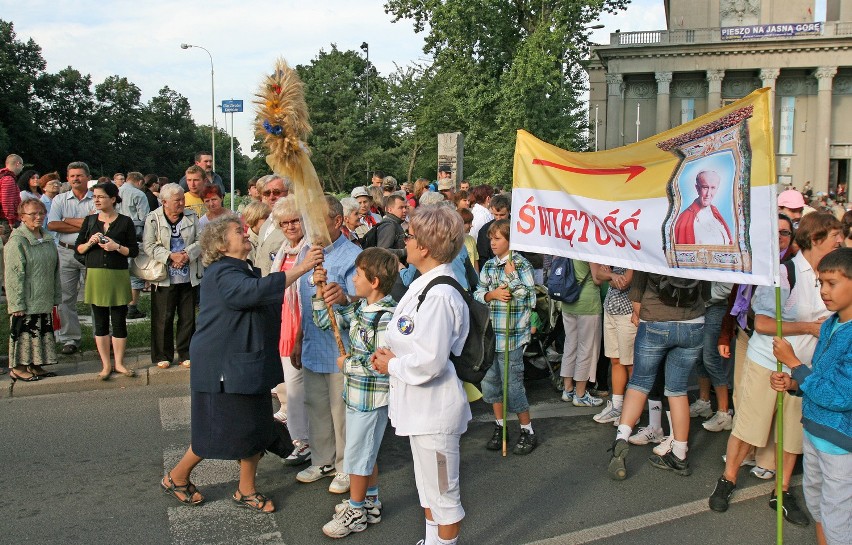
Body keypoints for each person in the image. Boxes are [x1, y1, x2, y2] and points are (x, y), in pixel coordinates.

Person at [160, 216, 323, 514]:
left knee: (256, 426)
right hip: (223, 367)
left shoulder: (242, 267)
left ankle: (246, 490)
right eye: (239, 231)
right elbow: (254, 293)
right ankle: (177, 477)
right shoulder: (222, 272)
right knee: (215, 430)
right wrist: (301, 268)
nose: (246, 233)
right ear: (222, 244)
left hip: (246, 364)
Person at [709, 212, 842, 524]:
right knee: (748, 427)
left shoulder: (834, 275)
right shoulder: (785, 272)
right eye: (836, 239)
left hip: (806, 367)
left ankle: (780, 492)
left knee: (793, 433)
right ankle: (727, 480)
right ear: (817, 240)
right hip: (768, 361)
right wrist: (809, 327)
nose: (841, 243)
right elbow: (764, 322)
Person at [371, 205, 470, 545]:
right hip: (419, 411)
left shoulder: (440, 294)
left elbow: (431, 362)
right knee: (428, 491)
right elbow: (413, 339)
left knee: (444, 497)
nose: (405, 241)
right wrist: (393, 354)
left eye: (409, 236)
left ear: (425, 247)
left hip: (435, 415)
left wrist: (391, 365)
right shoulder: (423, 284)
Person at [313, 248, 398, 538]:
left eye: (359, 275)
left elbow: (382, 363)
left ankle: (356, 509)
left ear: (374, 282)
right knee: (365, 453)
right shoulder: (363, 308)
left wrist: (347, 363)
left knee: (357, 458)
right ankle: (371, 501)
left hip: (372, 400)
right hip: (356, 396)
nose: (354, 280)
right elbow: (326, 321)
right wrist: (319, 291)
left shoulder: (386, 317)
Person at [770, 247, 851, 545]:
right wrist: (794, 383)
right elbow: (820, 377)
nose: (824, 291)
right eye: (820, 283)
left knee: (838, 516)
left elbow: (841, 396)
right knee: (818, 506)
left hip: (841, 443)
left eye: (832, 283)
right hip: (815, 431)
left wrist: (794, 363)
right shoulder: (830, 323)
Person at [608, 272, 710, 480]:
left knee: (639, 383)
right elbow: (706, 294)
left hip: (655, 320)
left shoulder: (650, 245)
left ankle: (622, 438)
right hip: (693, 323)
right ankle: (679, 453)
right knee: (677, 389)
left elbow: (636, 298)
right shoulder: (696, 248)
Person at [292, 196, 361, 495]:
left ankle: (347, 466)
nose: (312, 227)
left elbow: (363, 300)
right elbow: (300, 300)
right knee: (316, 406)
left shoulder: (354, 255)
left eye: (318, 220)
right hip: (311, 343)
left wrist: (344, 297)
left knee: (341, 411)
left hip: (341, 347)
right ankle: (322, 460)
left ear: (337, 221)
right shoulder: (307, 252)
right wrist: (297, 338)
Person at [474, 219, 538, 455]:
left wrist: (511, 279)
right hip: (491, 339)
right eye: (491, 238)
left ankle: (526, 429)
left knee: (513, 386)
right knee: (491, 386)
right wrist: (491, 294)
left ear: (510, 240)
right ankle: (500, 427)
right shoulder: (489, 266)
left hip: (512, 338)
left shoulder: (521, 265)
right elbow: (477, 294)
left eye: (498, 238)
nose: (492, 243)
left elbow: (530, 299)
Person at [75, 182, 139, 380]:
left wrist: (116, 247)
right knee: (100, 320)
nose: (96, 199)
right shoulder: (90, 220)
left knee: (119, 319)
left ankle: (119, 363)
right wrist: (91, 242)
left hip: (117, 274)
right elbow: (78, 249)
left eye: (101, 196)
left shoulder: (125, 221)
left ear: (113, 199)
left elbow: (133, 250)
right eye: (95, 196)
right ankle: (105, 365)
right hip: (95, 274)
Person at [269, 196, 313, 467]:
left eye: (294, 220)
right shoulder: (284, 251)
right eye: (284, 223)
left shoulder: (311, 250)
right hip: (286, 324)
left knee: (302, 388)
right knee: (294, 386)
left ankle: (304, 440)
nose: (290, 226)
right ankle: (302, 438)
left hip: (305, 325)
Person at [143, 184, 203, 370]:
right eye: (177, 200)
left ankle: (186, 353)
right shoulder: (153, 219)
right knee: (163, 317)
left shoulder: (192, 216)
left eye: (182, 199)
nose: (182, 203)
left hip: (188, 275)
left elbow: (201, 240)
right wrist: (170, 256)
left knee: (187, 317)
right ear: (164, 202)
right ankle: (163, 354)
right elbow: (149, 246)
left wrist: (185, 254)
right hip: (164, 276)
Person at [4, 199, 61, 381]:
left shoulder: (47, 239)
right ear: (22, 217)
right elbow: (13, 274)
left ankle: (35, 365)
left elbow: (55, 269)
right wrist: (16, 303)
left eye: (41, 213)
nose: (38, 217)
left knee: (40, 332)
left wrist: (55, 296)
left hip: (43, 297)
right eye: (33, 214)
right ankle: (19, 368)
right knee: (25, 334)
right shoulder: (17, 241)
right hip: (26, 300)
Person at [46, 161, 96, 355]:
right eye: (72, 175)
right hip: (66, 251)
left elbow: (97, 225)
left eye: (80, 175)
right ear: (67, 178)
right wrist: (86, 224)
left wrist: (66, 220)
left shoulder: (96, 199)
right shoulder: (60, 199)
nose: (76, 179)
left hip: (91, 252)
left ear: (88, 178)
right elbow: (53, 225)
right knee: (66, 297)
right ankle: (70, 338)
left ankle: (100, 335)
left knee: (95, 296)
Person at [592, 266, 636, 424]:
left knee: (630, 363)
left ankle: (632, 411)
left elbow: (624, 282)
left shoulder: (634, 251)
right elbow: (598, 274)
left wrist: (609, 277)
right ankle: (617, 406)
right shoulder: (613, 251)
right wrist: (612, 275)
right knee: (615, 360)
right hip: (610, 309)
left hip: (628, 312)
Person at [560, 259, 605, 407]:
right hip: (587, 303)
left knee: (570, 345)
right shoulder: (589, 247)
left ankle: (568, 390)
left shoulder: (566, 243)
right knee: (587, 348)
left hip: (567, 301)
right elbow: (597, 278)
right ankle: (580, 394)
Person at [116, 172, 151, 319]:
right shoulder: (139, 194)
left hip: (116, 236)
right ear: (140, 182)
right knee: (135, 271)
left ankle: (118, 304)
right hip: (134, 235)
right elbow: (145, 217)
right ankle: (132, 306)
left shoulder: (115, 192)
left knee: (119, 271)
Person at [674, 170, 733, 245]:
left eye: (713, 188)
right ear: (697, 188)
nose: (708, 194)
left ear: (717, 189)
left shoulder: (715, 212)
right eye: (705, 187)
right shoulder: (684, 218)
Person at [0, 154, 24, 243]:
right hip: (5, 221)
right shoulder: (8, 179)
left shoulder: (2, 176)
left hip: (3, 219)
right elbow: (7, 201)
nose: (22, 168)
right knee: (9, 246)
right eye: (22, 165)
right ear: (18, 164)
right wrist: (11, 220)